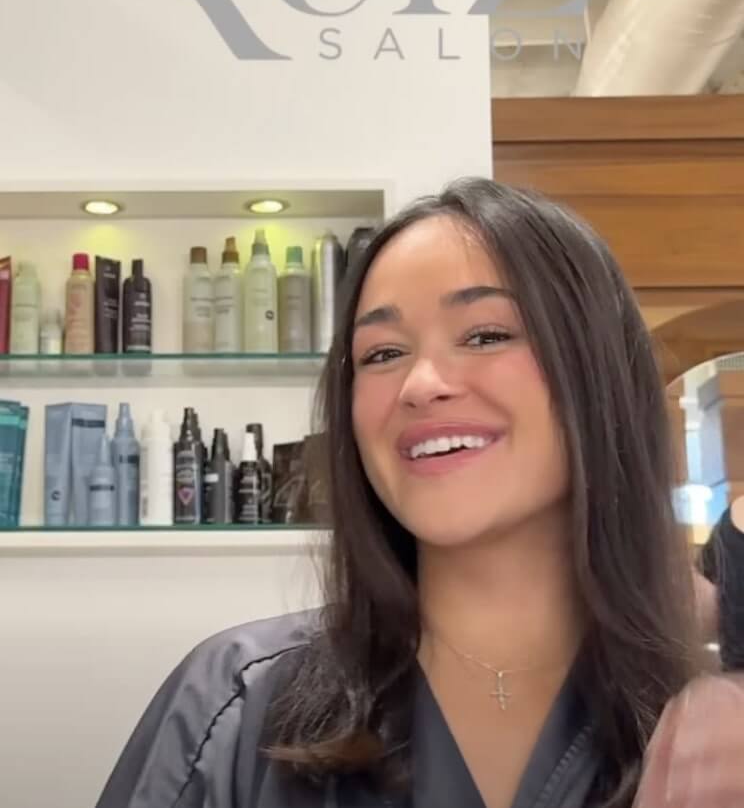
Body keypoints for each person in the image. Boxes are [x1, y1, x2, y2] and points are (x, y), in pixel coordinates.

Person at [96, 179, 744, 808]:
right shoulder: (232, 706)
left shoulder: (709, 726)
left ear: (597, 370)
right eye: (382, 353)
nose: (420, 383)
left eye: (486, 335)